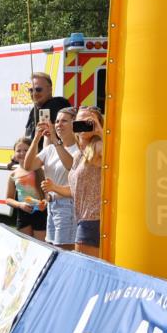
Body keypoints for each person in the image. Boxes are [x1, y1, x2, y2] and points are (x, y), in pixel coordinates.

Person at [42, 106, 103, 257]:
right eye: (79, 121)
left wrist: (100, 130)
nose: (82, 125)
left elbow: (113, 155)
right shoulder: (78, 155)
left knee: (83, 268)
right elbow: (75, 190)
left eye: (88, 122)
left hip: (93, 220)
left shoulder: (98, 146)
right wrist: (54, 188)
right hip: (81, 219)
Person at [23, 107, 80, 249]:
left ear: (75, 124)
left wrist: (54, 139)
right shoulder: (50, 149)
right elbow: (28, 165)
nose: (59, 125)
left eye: (64, 121)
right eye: (57, 121)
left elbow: (71, 166)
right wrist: (36, 138)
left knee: (64, 250)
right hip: (52, 205)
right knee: (52, 248)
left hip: (68, 205)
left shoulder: (79, 149)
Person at [5, 137, 47, 240]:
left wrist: (45, 203)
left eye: (26, 150)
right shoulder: (13, 174)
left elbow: (48, 194)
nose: (22, 153)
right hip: (23, 213)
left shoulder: (41, 170)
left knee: (40, 245)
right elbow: (8, 199)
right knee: (24, 245)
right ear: (14, 154)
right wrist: (20, 205)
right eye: (18, 151)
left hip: (40, 213)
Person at [23, 72, 70, 142]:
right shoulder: (34, 110)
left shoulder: (58, 103)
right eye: (31, 90)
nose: (34, 93)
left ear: (50, 90)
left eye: (38, 89)